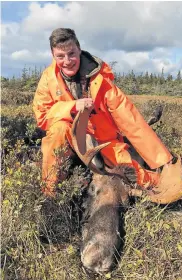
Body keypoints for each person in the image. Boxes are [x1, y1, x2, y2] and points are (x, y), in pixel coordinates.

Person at [33, 28, 173, 197]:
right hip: (68, 138)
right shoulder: (48, 78)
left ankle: (169, 185)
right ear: (53, 55)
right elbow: (42, 116)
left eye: (71, 54)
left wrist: (164, 161)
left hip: (102, 141)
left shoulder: (101, 80)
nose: (67, 61)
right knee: (58, 129)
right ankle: (50, 194)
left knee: (129, 170)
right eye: (60, 56)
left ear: (79, 48)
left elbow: (131, 121)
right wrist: (72, 107)